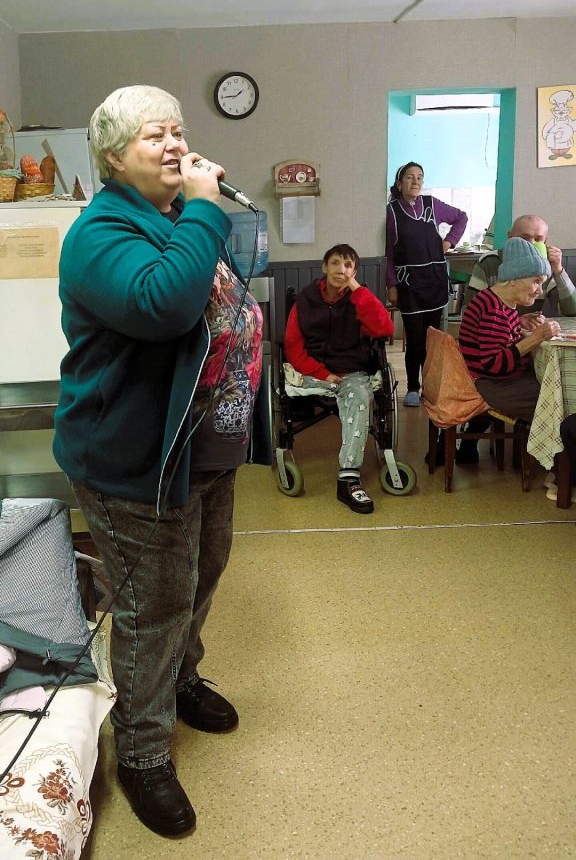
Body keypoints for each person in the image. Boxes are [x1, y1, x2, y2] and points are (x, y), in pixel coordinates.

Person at [53, 85, 264, 838]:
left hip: (203, 446)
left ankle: (179, 679)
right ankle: (141, 751)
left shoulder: (171, 216)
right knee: (152, 605)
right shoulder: (100, 231)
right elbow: (164, 307)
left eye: (178, 130)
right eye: (154, 135)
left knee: (200, 576)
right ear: (113, 157)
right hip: (135, 457)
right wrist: (205, 208)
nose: (176, 144)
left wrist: (196, 213)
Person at [284, 243, 394, 514]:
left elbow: (384, 328)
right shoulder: (305, 300)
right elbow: (293, 347)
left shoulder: (360, 299)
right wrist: (323, 373)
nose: (340, 269)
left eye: (348, 265)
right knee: (293, 383)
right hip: (312, 373)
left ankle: (348, 478)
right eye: (335, 263)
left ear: (354, 272)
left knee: (359, 395)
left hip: (351, 372)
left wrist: (357, 290)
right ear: (324, 266)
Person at [386, 161, 468, 407]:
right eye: (409, 177)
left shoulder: (432, 204)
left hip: (434, 282)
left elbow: (461, 218)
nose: (415, 181)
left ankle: (431, 386)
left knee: (433, 340)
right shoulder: (391, 212)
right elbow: (389, 253)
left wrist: (449, 242)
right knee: (415, 340)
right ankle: (413, 387)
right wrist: (391, 285)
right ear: (399, 183)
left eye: (419, 177)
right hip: (409, 285)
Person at [458, 237, 561, 422]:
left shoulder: (498, 300)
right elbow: (493, 365)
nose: (539, 290)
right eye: (536, 281)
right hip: (493, 386)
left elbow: (498, 336)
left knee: (554, 387)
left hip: (497, 381)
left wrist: (518, 324)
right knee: (558, 399)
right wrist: (536, 337)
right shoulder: (494, 310)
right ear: (513, 279)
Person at [462, 213, 576, 319]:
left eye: (538, 240)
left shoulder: (545, 266)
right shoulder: (489, 261)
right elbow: (471, 312)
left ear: (545, 242)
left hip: (528, 330)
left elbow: (572, 311)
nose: (531, 244)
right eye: (524, 239)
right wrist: (517, 322)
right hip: (496, 330)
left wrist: (558, 270)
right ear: (510, 237)